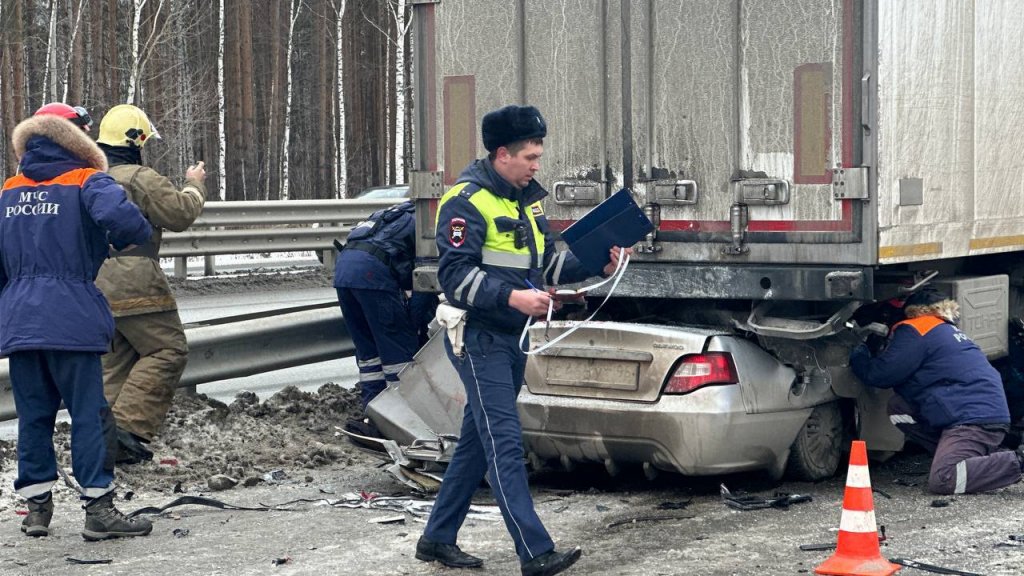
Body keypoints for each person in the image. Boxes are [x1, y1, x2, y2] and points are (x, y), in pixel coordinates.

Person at [415, 104, 629, 576]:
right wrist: (513, 298)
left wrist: (600, 265)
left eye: (538, 155)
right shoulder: (465, 202)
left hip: (511, 339)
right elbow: (453, 277)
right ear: (501, 154)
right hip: (478, 337)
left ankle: (435, 539)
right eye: (530, 156)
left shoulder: (525, 200)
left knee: (478, 440)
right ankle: (534, 552)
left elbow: (545, 266)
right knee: (505, 443)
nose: (537, 165)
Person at [1, 103, 155, 539]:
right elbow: (128, 223)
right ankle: (99, 510)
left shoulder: (8, 190)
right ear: (78, 141)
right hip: (71, 315)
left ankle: (36, 511)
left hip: (20, 320)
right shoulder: (87, 180)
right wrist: (118, 239)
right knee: (88, 414)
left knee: (33, 416)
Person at [93, 104, 207, 465]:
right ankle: (127, 430)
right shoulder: (138, 177)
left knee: (117, 362)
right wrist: (194, 185)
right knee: (167, 350)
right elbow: (179, 214)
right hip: (135, 279)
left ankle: (104, 444)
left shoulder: (88, 178)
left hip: (95, 282)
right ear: (136, 140)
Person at [850, 288, 1024, 494]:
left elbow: (880, 375)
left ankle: (1019, 461)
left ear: (912, 312)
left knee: (944, 479)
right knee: (899, 407)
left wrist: (858, 352)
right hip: (978, 413)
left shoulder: (916, 329)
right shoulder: (943, 329)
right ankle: (967, 457)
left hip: (972, 420)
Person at [333, 199, 429, 428]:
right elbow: (425, 283)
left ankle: (373, 413)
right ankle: (405, 420)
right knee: (398, 354)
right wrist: (414, 325)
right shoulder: (430, 223)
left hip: (344, 272)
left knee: (369, 355)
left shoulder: (396, 213)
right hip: (372, 275)